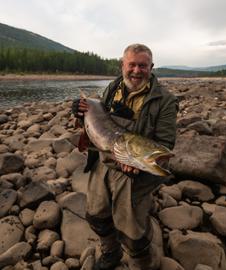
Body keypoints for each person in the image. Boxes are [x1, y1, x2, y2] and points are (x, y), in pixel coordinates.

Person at [72, 44, 178, 270]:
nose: (137, 71)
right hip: (106, 160)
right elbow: (95, 124)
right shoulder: (112, 88)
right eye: (132, 65)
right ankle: (111, 253)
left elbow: (166, 145)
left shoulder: (166, 101)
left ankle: (142, 264)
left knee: (133, 232)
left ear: (151, 67)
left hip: (134, 172)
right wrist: (80, 113)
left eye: (143, 65)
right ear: (123, 65)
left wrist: (137, 164)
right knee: (96, 214)